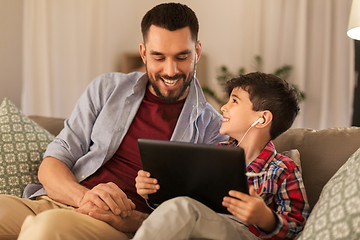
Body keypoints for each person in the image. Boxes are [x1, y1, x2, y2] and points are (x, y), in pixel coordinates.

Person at [0, 3, 227, 240]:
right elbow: (52, 163)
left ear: (197, 52)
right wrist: (83, 197)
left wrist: (137, 221)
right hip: (59, 200)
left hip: (116, 225)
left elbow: (200, 222)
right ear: (143, 53)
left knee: (46, 228)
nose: (170, 70)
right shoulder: (107, 89)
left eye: (182, 57)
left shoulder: (213, 130)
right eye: (158, 57)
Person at [134, 72, 310, 239]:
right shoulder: (212, 154)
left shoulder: (283, 169)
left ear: (262, 118)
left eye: (234, 101)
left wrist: (264, 218)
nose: (223, 107)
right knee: (182, 208)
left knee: (182, 208)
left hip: (245, 235)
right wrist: (154, 191)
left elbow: (297, 228)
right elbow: (186, 203)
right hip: (202, 227)